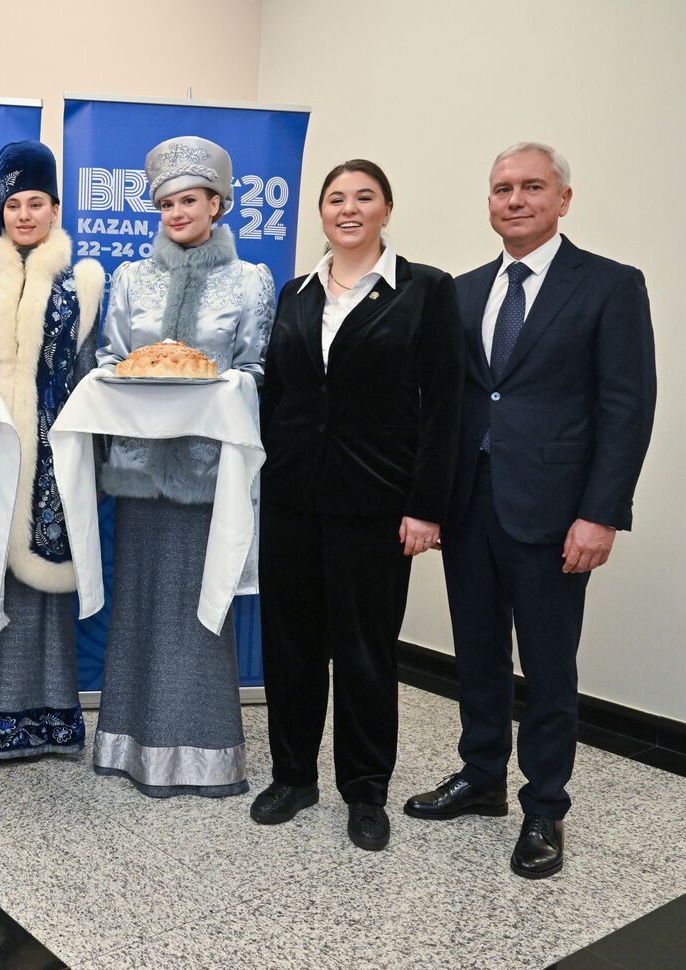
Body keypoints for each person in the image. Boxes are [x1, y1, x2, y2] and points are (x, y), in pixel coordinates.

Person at [404, 143, 656, 878]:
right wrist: (429, 502)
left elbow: (626, 406)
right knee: (477, 657)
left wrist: (601, 513)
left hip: (555, 512)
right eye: (501, 189)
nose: (514, 200)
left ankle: (545, 806)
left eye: (531, 187)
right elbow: (449, 404)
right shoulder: (463, 290)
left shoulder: (609, 285)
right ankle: (480, 779)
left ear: (563, 199)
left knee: (548, 666)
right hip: (470, 506)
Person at [250, 159, 463, 851]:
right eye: (336, 198)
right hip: (291, 499)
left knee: (367, 653)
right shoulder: (296, 293)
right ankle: (293, 776)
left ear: (386, 209)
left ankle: (365, 791)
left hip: (377, 504)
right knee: (291, 646)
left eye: (363, 197)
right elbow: (276, 396)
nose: (349, 208)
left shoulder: (425, 291)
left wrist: (426, 506)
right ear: (321, 213)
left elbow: (445, 410)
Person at [93, 136, 274, 797]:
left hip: (207, 473)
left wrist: (217, 387)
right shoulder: (131, 279)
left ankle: (206, 756)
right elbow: (110, 361)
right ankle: (128, 748)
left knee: (204, 610)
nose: (176, 212)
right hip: (141, 473)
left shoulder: (250, 281)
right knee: (140, 606)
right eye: (166, 202)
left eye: (189, 200)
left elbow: (257, 369)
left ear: (217, 204)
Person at [0, 140, 104, 759]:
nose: (23, 215)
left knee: (42, 585)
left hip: (52, 454)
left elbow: (92, 370)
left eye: (35, 203)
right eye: (12, 204)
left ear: (55, 207)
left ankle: (44, 718)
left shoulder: (83, 281)